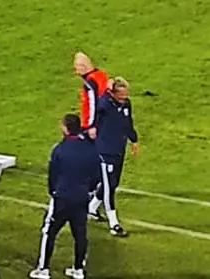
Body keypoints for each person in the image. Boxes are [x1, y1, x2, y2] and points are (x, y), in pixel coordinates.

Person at [30, 113, 99, 279]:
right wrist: (87, 190)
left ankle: (43, 269)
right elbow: (96, 175)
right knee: (80, 234)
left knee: (50, 232)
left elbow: (52, 174)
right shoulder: (90, 149)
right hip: (82, 198)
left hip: (62, 197)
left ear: (66, 129)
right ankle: (78, 270)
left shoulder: (60, 149)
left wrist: (53, 191)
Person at [89, 77, 139, 236]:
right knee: (109, 187)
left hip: (119, 150)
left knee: (112, 183)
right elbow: (96, 107)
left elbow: (128, 123)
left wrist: (134, 140)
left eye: (126, 95)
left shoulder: (126, 104)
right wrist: (106, 91)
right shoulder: (105, 105)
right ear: (112, 93)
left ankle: (91, 209)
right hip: (105, 151)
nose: (124, 98)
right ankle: (114, 224)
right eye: (121, 95)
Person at [73, 52, 109, 139]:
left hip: (95, 125)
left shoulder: (90, 82)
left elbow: (93, 104)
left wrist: (91, 126)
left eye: (77, 68)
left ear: (83, 66)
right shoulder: (102, 75)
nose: (76, 72)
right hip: (106, 120)